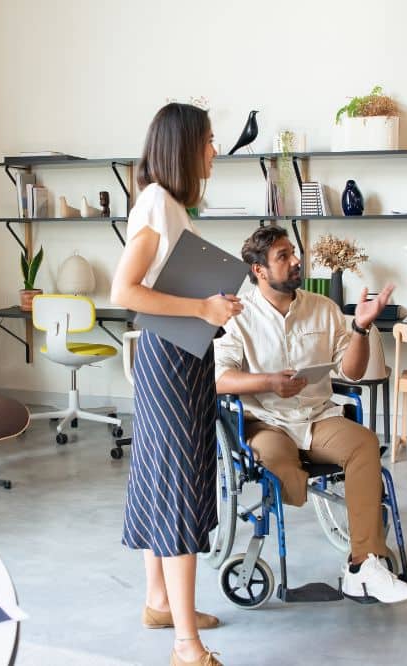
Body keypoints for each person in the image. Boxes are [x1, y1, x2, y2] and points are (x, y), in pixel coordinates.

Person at [213, 225, 407, 604]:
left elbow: (352, 372)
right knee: (279, 462)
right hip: (267, 421)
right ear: (259, 270)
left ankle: (363, 565)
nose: (296, 261)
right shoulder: (238, 316)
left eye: (294, 253)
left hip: (317, 417)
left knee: (363, 444)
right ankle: (338, 502)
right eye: (283, 256)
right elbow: (220, 378)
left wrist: (360, 328)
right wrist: (268, 382)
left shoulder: (323, 308)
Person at [111, 102, 241, 666]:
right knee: (179, 490)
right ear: (185, 146)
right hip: (169, 363)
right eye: (209, 140)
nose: (215, 149)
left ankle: (159, 602)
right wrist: (204, 306)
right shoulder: (157, 204)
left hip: (180, 357)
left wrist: (211, 309)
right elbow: (124, 291)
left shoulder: (170, 205)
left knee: (163, 478)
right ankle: (186, 645)